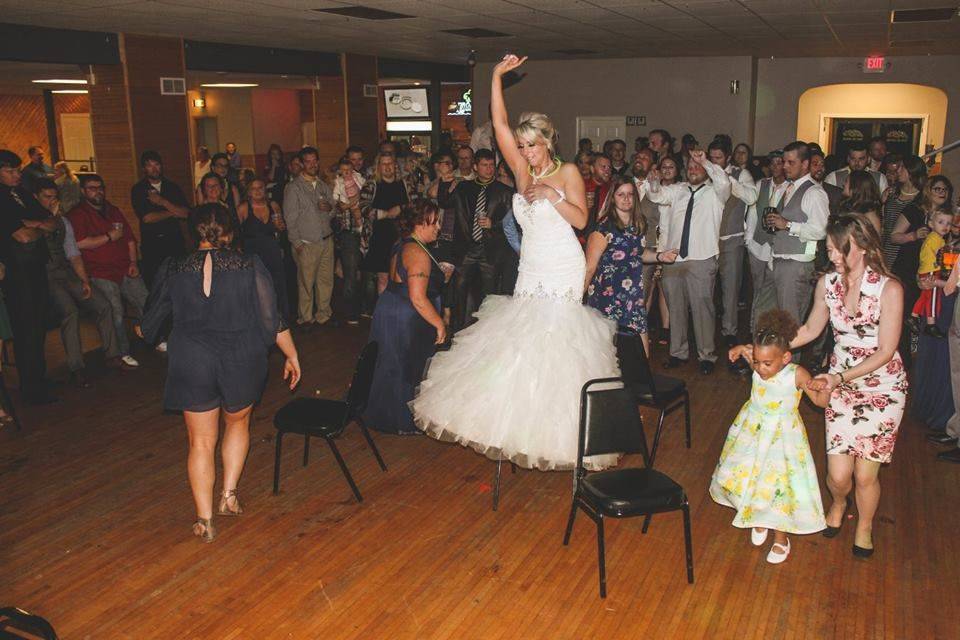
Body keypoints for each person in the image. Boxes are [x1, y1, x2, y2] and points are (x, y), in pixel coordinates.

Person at [411, 54, 620, 471]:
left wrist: (555, 197)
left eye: (532, 145)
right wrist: (494, 77)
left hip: (562, 266)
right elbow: (499, 124)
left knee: (558, 344)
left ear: (548, 141)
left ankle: (563, 434)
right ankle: (521, 424)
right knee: (524, 341)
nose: (524, 152)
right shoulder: (522, 173)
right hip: (531, 267)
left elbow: (583, 219)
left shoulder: (568, 173)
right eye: (521, 147)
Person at [140, 203, 301, 543]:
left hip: (191, 358)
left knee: (200, 442)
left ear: (194, 231)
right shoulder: (249, 264)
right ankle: (228, 495)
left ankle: (205, 520)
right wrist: (292, 355)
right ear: (229, 231)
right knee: (238, 423)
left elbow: (149, 324)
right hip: (242, 355)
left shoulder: (172, 267)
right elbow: (272, 320)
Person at [786, 214, 907, 558]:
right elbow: (810, 330)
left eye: (841, 249)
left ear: (865, 246)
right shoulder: (827, 284)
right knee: (839, 476)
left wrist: (838, 378)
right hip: (839, 382)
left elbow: (885, 351)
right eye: (829, 249)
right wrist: (774, 346)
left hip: (882, 389)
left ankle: (864, 527)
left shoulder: (890, 288)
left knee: (866, 476)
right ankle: (839, 501)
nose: (834, 256)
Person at [716, 310, 829, 564]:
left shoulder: (796, 374)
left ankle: (781, 538)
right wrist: (738, 350)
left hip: (783, 438)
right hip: (753, 430)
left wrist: (822, 387)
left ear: (786, 357)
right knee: (752, 476)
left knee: (780, 486)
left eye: (767, 364)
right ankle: (759, 516)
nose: (760, 369)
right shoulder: (758, 358)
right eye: (757, 362)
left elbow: (820, 402)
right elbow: (746, 350)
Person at [364, 201, 450, 435]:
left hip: (391, 306)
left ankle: (386, 415)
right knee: (406, 364)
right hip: (407, 315)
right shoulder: (417, 252)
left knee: (390, 361)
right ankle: (402, 420)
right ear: (421, 222)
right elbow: (418, 297)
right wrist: (439, 323)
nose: (439, 227)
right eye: (435, 221)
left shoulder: (403, 244)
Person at [647, 148, 731, 374]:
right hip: (674, 257)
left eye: (698, 167)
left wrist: (706, 161)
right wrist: (654, 183)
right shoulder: (678, 190)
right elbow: (656, 196)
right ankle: (678, 353)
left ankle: (707, 356)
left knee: (703, 308)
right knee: (676, 308)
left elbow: (724, 181)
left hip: (702, 258)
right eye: (691, 167)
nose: (693, 170)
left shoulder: (717, 192)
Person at [35, 179, 123, 387]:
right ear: (35, 198)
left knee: (103, 305)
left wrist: (85, 281)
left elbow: (74, 255)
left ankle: (112, 355)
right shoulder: (33, 222)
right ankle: (76, 368)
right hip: (46, 275)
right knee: (69, 312)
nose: (51, 201)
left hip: (67, 272)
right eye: (47, 197)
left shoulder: (63, 222)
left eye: (54, 197)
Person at [584, 175, 677, 354]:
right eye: (621, 195)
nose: (627, 199)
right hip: (607, 295)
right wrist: (579, 298)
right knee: (606, 350)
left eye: (630, 194)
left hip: (632, 294)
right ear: (613, 198)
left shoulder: (637, 224)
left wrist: (660, 256)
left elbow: (638, 254)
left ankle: (640, 381)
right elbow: (589, 267)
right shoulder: (603, 228)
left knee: (641, 350)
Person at [68, 174, 147, 369]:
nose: (98, 191)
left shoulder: (112, 210)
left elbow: (129, 239)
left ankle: (155, 336)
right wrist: (108, 237)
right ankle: (122, 351)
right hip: (99, 272)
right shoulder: (77, 214)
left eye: (100, 187)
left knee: (146, 299)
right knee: (115, 311)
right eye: (92, 188)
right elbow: (79, 243)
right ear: (83, 191)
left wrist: (133, 262)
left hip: (123, 266)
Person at [0, 149, 58, 404]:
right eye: (10, 171)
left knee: (39, 325)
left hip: (35, 265)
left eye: (16, 170)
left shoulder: (21, 193)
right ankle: (31, 386)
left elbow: (51, 221)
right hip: (16, 271)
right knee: (26, 328)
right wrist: (37, 227)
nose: (16, 175)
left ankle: (39, 377)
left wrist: (34, 224)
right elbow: (20, 235)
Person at [450, 148, 517, 330]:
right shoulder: (464, 188)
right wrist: (444, 179)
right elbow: (444, 201)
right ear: (475, 166)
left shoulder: (504, 192)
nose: (489, 169)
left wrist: (493, 224)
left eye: (491, 165)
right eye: (484, 165)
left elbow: (513, 225)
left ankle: (487, 333)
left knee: (490, 296)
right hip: (467, 248)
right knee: (459, 290)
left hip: (491, 250)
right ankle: (456, 332)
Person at [708, 138, 758, 351]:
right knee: (707, 291)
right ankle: (707, 332)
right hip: (709, 241)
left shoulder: (741, 174)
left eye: (718, 158)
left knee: (730, 290)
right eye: (712, 158)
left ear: (728, 157)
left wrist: (728, 180)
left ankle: (729, 331)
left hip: (732, 240)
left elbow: (751, 197)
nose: (714, 161)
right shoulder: (706, 173)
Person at [284, 146, 336, 328]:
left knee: (326, 281)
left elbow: (333, 209)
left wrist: (330, 209)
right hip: (306, 243)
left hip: (326, 240)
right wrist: (297, 243)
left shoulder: (322, 185)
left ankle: (324, 314)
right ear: (301, 164)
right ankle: (306, 318)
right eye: (308, 161)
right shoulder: (293, 188)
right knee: (306, 283)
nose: (312, 164)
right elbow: (289, 218)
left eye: (315, 161)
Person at [131, 150, 190, 288]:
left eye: (156, 164)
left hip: (174, 242)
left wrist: (163, 202)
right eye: (149, 165)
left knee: (179, 284)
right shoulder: (139, 189)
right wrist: (172, 211)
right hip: (152, 244)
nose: (154, 169)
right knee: (156, 286)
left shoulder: (172, 187)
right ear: (144, 169)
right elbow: (147, 218)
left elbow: (186, 213)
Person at [360, 153, 413, 301]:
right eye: (384, 164)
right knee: (383, 278)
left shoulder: (405, 183)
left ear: (395, 165)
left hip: (402, 237)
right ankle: (383, 312)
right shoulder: (371, 184)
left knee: (402, 276)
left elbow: (415, 205)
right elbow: (363, 207)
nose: (387, 167)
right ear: (378, 167)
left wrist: (401, 209)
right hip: (379, 237)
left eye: (390, 163)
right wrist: (385, 213)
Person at [238, 178, 289, 322]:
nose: (258, 191)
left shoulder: (273, 205)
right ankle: (258, 320)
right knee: (257, 287)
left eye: (260, 187)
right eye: (254, 188)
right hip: (253, 253)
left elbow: (282, 229)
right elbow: (236, 234)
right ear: (248, 192)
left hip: (272, 249)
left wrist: (281, 228)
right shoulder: (243, 208)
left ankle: (280, 320)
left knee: (277, 284)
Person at [908, 209, 953, 338]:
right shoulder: (936, 238)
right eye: (941, 222)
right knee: (933, 297)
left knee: (925, 296)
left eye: (949, 223)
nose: (945, 226)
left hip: (926, 269)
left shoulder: (936, 238)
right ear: (931, 224)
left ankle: (914, 316)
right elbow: (938, 255)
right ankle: (931, 324)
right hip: (932, 269)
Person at [332, 156, 367, 325]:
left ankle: (366, 308)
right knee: (351, 272)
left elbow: (366, 195)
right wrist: (346, 204)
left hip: (365, 230)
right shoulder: (338, 182)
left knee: (366, 271)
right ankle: (352, 312)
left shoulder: (361, 178)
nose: (356, 164)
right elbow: (337, 204)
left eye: (357, 161)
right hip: (349, 232)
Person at [882, 154, 926, 268]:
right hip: (886, 248)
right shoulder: (892, 192)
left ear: (912, 170)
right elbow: (883, 220)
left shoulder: (922, 198)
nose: (898, 170)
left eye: (902, 167)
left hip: (907, 251)